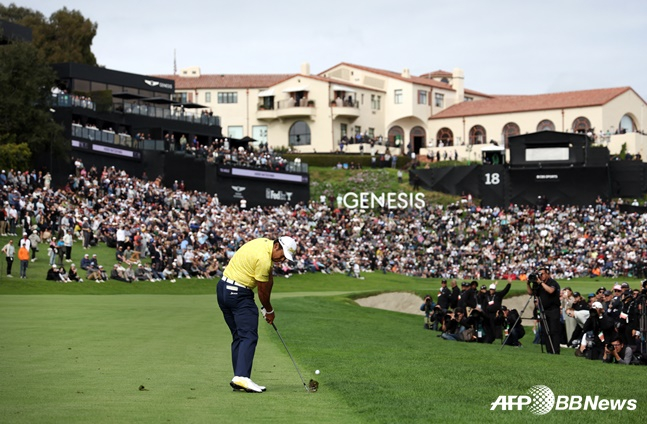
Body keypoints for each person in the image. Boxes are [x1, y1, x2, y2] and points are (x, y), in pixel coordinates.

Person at [216, 236, 297, 393]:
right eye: (282, 255)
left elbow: (268, 279)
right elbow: (262, 292)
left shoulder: (262, 243)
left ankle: (238, 378)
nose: (282, 260)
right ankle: (242, 377)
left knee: (239, 336)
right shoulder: (264, 260)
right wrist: (269, 310)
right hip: (239, 295)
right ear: (277, 247)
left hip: (223, 289)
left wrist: (268, 307)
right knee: (249, 336)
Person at [527, 267, 561, 354]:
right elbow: (531, 293)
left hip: (553, 310)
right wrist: (528, 283)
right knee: (545, 331)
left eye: (542, 274)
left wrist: (541, 283)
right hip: (544, 310)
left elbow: (550, 291)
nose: (540, 276)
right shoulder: (539, 285)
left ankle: (555, 351)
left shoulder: (553, 283)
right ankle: (549, 350)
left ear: (547, 274)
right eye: (539, 274)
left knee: (554, 331)